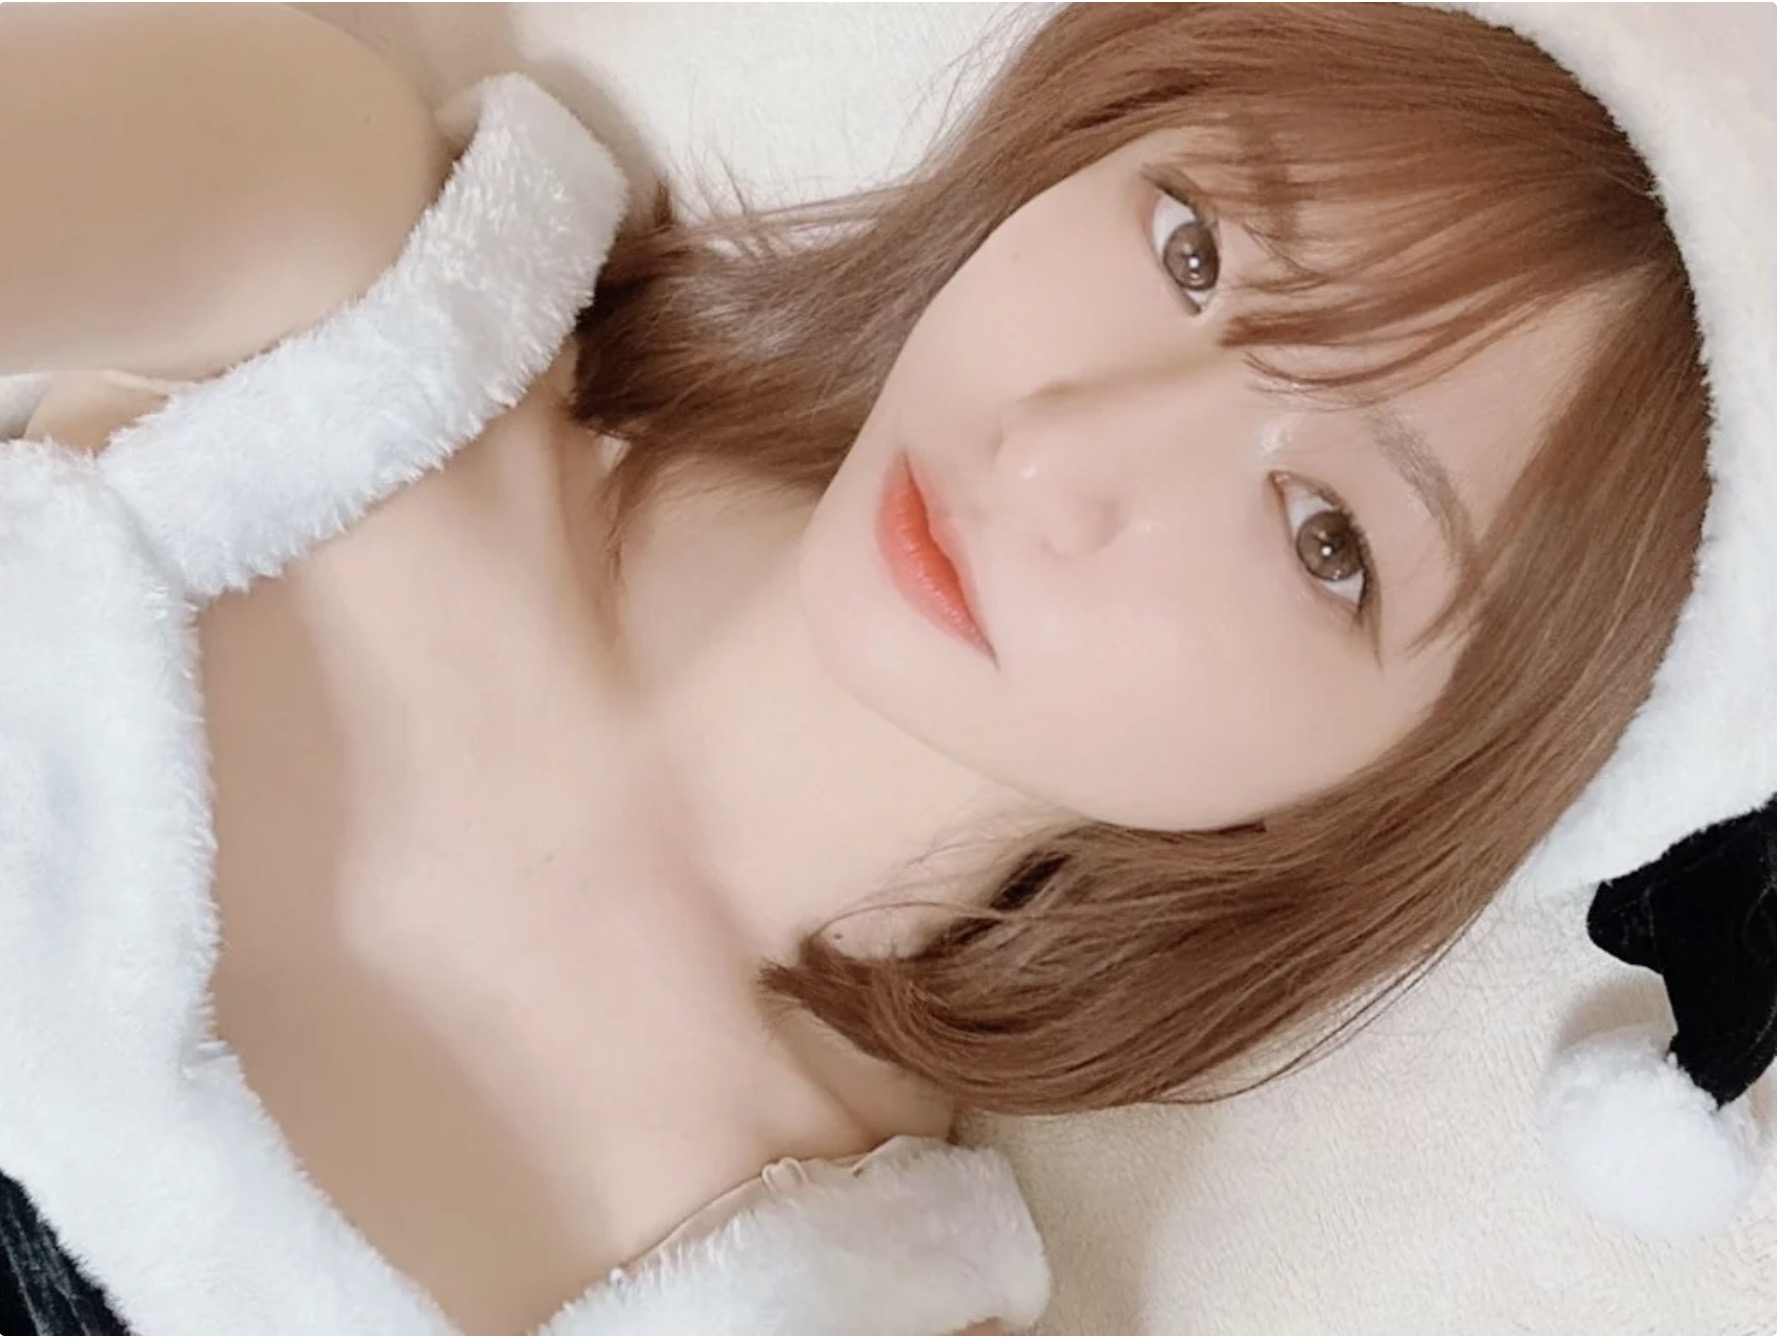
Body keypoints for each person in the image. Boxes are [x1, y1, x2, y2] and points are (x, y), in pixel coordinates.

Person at [0, 3, 1766, 1335]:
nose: (1060, 455)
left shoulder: (840, 1297)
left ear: (1413, 793)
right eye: (1193, 248)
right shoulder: (341, 263)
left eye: (1326, 537)